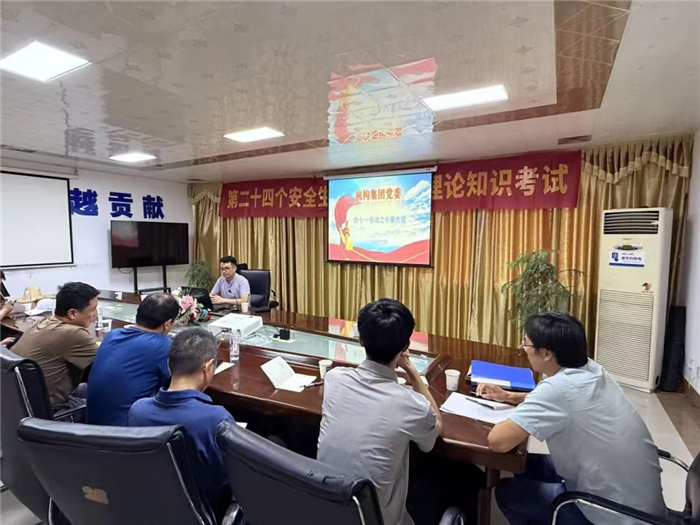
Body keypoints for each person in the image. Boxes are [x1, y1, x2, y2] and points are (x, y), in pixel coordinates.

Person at [479, 312, 664, 525]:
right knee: (523, 464)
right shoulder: (592, 370)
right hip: (642, 506)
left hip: (613, 515)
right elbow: (563, 400)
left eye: (526, 344)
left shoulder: (558, 389)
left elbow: (497, 442)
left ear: (546, 353)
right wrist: (508, 396)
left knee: (508, 493)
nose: (523, 349)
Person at [317, 298, 442, 525]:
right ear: (405, 346)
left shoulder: (334, 379)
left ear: (360, 340)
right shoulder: (412, 405)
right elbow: (435, 430)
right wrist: (412, 371)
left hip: (327, 511)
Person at [128, 327, 234, 522]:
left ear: (169, 366)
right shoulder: (216, 419)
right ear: (208, 367)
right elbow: (230, 478)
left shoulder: (137, 411)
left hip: (152, 510)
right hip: (207, 513)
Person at [86, 293, 180, 426]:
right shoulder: (162, 345)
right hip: (130, 433)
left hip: (92, 428)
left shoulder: (112, 335)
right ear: (167, 324)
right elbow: (179, 383)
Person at [11, 282, 99, 411]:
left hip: (21, 405)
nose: (95, 314)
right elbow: (108, 364)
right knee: (113, 400)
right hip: (53, 410)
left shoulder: (44, 321)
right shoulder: (73, 333)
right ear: (72, 313)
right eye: (93, 309)